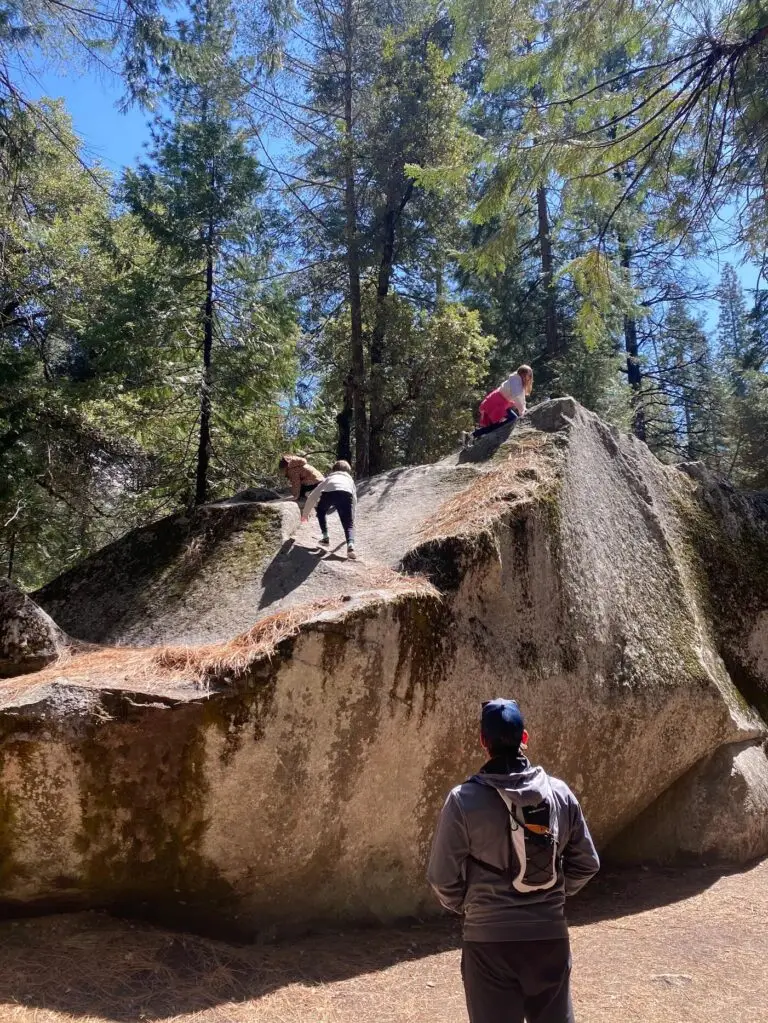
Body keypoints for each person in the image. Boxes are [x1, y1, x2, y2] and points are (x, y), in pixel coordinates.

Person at [427, 699, 599, 1023]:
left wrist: (470, 906)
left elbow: (441, 877)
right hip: (550, 937)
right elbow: (587, 863)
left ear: (483, 741)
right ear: (525, 738)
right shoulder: (559, 793)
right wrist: (555, 896)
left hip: (488, 943)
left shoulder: (462, 801)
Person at [301, 460, 358, 560]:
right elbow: (354, 499)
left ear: (334, 469)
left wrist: (305, 515)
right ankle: (351, 546)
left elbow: (313, 496)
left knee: (321, 510)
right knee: (348, 523)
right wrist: (352, 517)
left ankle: (325, 537)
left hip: (329, 494)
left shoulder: (330, 478)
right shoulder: (350, 480)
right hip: (346, 494)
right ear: (347, 471)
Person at [464, 365, 534, 447]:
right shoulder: (516, 382)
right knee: (508, 421)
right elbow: (517, 397)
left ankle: (472, 435)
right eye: (529, 375)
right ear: (523, 375)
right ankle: (472, 435)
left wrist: (523, 408)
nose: (530, 377)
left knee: (507, 420)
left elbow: (521, 397)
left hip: (499, 401)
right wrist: (522, 411)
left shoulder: (517, 379)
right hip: (497, 402)